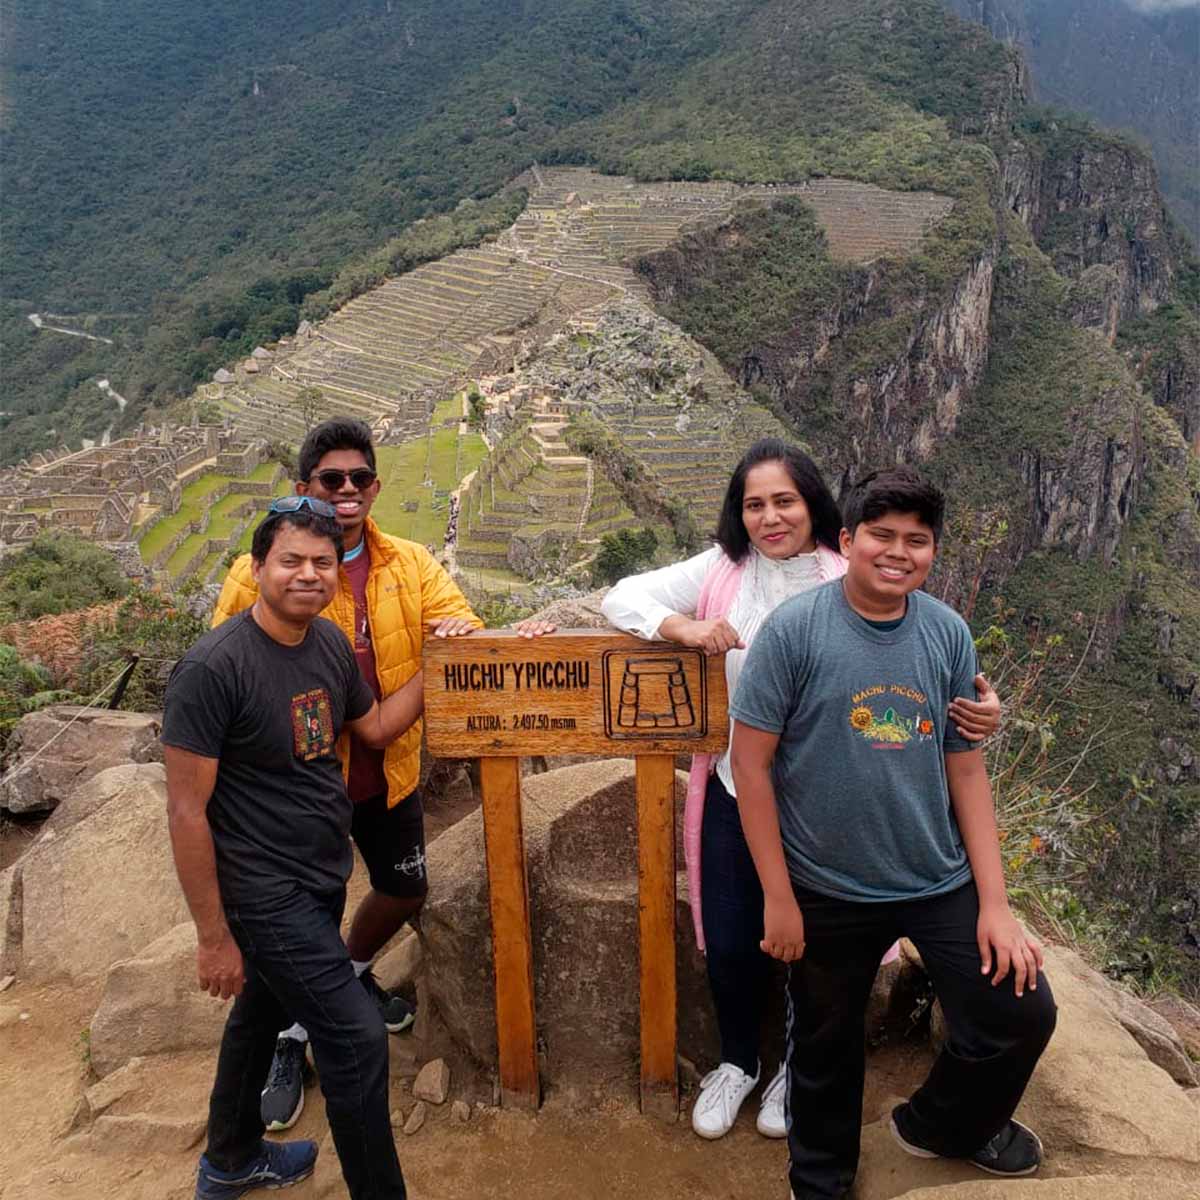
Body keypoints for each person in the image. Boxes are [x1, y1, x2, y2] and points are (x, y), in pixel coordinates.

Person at [600, 439, 1001, 1141]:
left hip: (826, 804)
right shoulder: (725, 573)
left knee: (817, 950)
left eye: (784, 500)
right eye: (754, 504)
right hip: (735, 787)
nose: (769, 517)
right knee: (730, 939)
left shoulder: (855, 572)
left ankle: (794, 1068)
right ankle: (737, 1063)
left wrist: (981, 712)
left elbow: (920, 658)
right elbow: (623, 595)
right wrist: (683, 624)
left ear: (814, 504)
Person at [730, 467, 1057, 1199]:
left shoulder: (945, 633)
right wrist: (778, 898)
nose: (899, 552)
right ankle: (820, 1180)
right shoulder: (794, 634)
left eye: (917, 540)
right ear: (848, 541)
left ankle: (941, 1124)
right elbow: (750, 768)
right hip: (825, 884)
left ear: (934, 550)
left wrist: (994, 905)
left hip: (936, 877)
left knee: (1019, 1010)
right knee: (825, 1046)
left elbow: (965, 771)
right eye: (881, 536)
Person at [212, 417, 482, 1131]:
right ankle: (290, 1036)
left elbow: (459, 621)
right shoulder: (258, 572)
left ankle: (346, 976)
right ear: (303, 489)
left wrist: (457, 638)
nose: (347, 491)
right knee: (305, 917)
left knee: (402, 887)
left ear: (376, 486)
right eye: (331, 480)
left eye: (360, 479)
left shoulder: (410, 562)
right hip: (297, 791)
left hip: (386, 767)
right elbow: (224, 675)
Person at [164, 498, 418, 1200]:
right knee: (357, 1035)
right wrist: (213, 936)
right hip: (259, 890)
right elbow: (185, 811)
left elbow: (372, 730)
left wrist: (442, 662)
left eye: (322, 562)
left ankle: (231, 1160)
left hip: (318, 876)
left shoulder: (328, 645)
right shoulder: (213, 670)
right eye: (291, 561)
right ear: (258, 568)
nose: (307, 575)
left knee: (262, 1013)